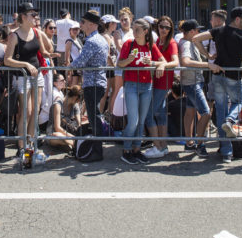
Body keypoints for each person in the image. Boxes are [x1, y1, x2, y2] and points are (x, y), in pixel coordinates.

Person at [192, 6, 242, 162]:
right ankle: (230, 121)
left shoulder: (218, 31)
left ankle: (227, 151)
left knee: (220, 111)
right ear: (238, 19)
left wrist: (208, 56)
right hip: (233, 76)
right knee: (238, 103)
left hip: (218, 74)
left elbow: (195, 39)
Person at [3, 2, 53, 152]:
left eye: (36, 14)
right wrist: (25, 64)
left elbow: (43, 51)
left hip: (36, 75)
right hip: (22, 76)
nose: (36, 17)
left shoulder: (36, 32)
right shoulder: (14, 35)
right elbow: (7, 60)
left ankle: (31, 145)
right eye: (33, 14)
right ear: (23, 17)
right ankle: (21, 147)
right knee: (26, 112)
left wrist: (50, 55)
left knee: (36, 111)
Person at [117, 18, 166, 165]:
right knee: (134, 120)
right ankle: (126, 150)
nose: (134, 32)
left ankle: (136, 150)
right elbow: (120, 63)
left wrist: (154, 64)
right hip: (131, 85)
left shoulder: (150, 46)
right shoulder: (128, 44)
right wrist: (129, 59)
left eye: (137, 29)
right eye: (133, 29)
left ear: (145, 31)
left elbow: (162, 60)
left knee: (141, 121)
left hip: (147, 86)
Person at [178, 19, 218, 157]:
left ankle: (189, 143)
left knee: (190, 111)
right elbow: (186, 61)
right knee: (206, 113)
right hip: (192, 83)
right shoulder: (186, 44)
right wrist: (208, 65)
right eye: (197, 30)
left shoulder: (190, 42)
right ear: (191, 32)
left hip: (193, 82)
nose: (199, 32)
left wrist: (208, 57)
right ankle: (199, 144)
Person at [143, 16, 179, 159]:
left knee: (149, 114)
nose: (163, 29)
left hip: (163, 83)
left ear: (171, 29)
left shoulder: (172, 43)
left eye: (167, 27)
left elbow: (175, 62)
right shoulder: (157, 41)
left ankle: (158, 146)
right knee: (161, 114)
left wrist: (161, 64)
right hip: (156, 81)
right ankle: (162, 146)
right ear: (157, 27)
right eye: (161, 26)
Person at [69, 10, 108, 136]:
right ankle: (97, 143)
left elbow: (80, 61)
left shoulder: (91, 41)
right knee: (94, 114)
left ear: (91, 24)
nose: (81, 24)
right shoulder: (101, 39)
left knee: (93, 116)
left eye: (83, 22)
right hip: (98, 81)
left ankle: (97, 145)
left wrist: (69, 66)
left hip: (93, 83)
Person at [47, 79, 82, 151]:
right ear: (75, 97)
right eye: (79, 100)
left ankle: (74, 144)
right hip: (54, 133)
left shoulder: (75, 105)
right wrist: (73, 137)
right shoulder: (57, 105)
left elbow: (79, 123)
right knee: (59, 136)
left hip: (68, 133)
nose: (79, 102)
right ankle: (76, 144)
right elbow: (57, 128)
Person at [64, 21, 83, 86]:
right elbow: (67, 58)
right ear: (70, 30)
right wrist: (69, 73)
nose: (75, 31)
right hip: (73, 68)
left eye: (77, 29)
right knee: (73, 88)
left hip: (79, 67)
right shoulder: (69, 41)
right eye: (73, 29)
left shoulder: (78, 40)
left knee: (79, 88)